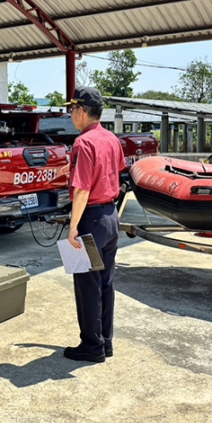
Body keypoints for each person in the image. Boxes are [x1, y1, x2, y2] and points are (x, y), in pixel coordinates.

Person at [63, 86, 125, 363]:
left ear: (81, 111)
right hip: (110, 217)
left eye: (71, 110)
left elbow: (82, 189)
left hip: (90, 218)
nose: (71, 116)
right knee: (105, 283)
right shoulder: (111, 138)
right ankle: (105, 341)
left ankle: (91, 345)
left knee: (87, 284)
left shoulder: (83, 143)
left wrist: (73, 226)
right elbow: (118, 176)